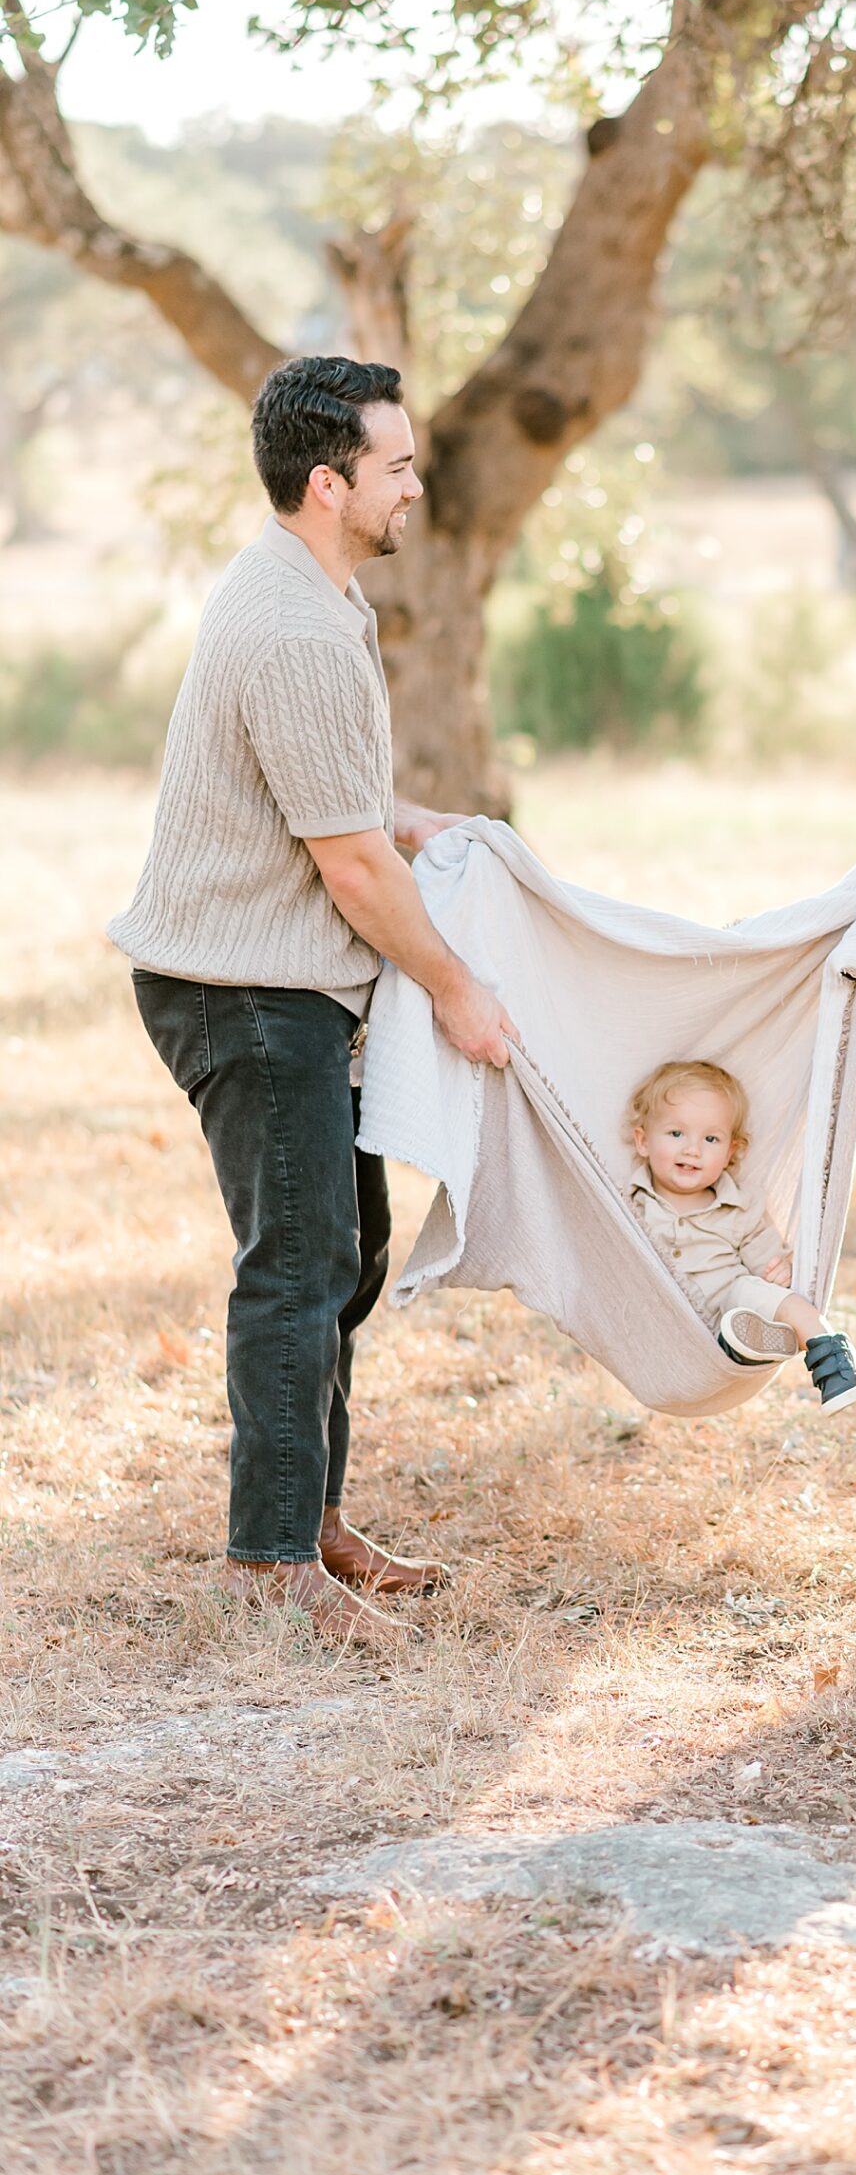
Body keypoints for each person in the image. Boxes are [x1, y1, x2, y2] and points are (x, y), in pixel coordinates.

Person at [109, 355, 516, 1643]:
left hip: (293, 984)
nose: (415, 482)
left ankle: (315, 1519)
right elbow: (346, 869)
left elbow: (328, 803)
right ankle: (270, 1566)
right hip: (243, 989)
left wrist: (410, 816)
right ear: (328, 482)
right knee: (296, 1267)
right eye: (395, 464)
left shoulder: (317, 593)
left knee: (349, 1254)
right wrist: (456, 989)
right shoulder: (292, 624)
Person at [627, 1059, 856, 1413]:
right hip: (668, 1324)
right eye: (676, 1133)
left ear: (730, 1151)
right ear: (643, 1141)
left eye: (710, 1138)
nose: (692, 1149)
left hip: (731, 1303)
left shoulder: (742, 1207)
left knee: (754, 1290)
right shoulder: (628, 1204)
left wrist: (788, 1266)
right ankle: (744, 1346)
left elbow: (768, 1261)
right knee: (725, 1314)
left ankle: (831, 1355)